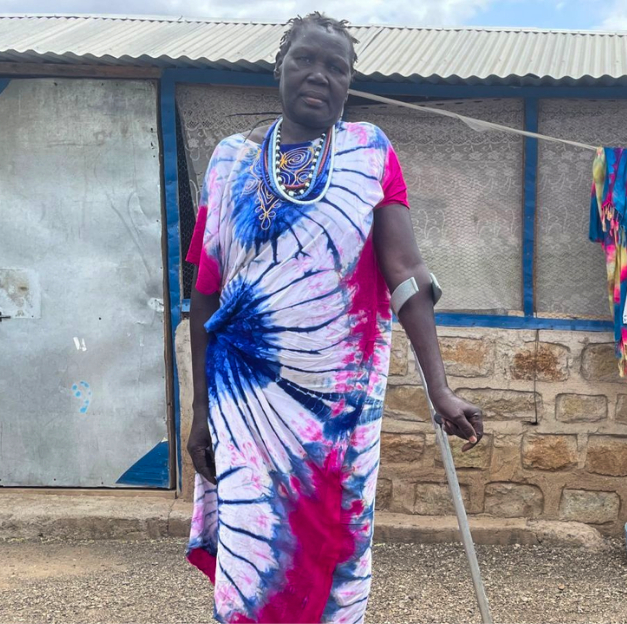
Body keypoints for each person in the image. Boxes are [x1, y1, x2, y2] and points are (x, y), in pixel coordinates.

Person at [183, 13, 484, 624]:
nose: (319, 75)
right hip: (244, 404)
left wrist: (440, 386)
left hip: (336, 413)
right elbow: (206, 293)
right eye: (305, 60)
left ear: (349, 82)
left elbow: (406, 272)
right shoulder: (228, 161)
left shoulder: (370, 152)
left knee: (331, 562)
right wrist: (198, 412)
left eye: (336, 67)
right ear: (280, 68)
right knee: (253, 561)